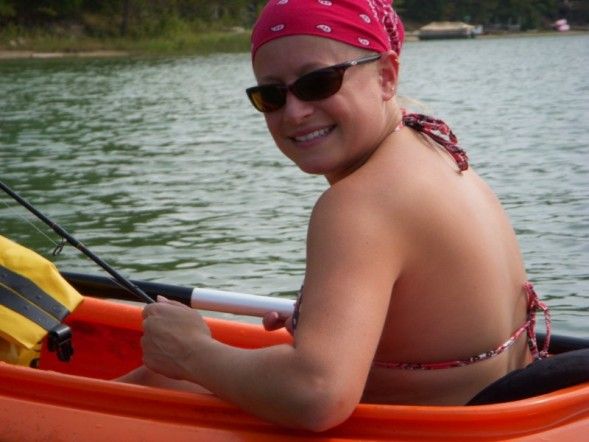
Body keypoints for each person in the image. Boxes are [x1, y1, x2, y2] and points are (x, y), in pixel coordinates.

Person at [119, 0, 551, 431]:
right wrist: (323, 319)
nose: (295, 112)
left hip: (432, 431)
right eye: (271, 95)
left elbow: (317, 394)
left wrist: (190, 352)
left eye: (319, 82)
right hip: (503, 418)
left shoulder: (360, 203)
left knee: (161, 381)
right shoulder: (435, 153)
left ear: (386, 76)